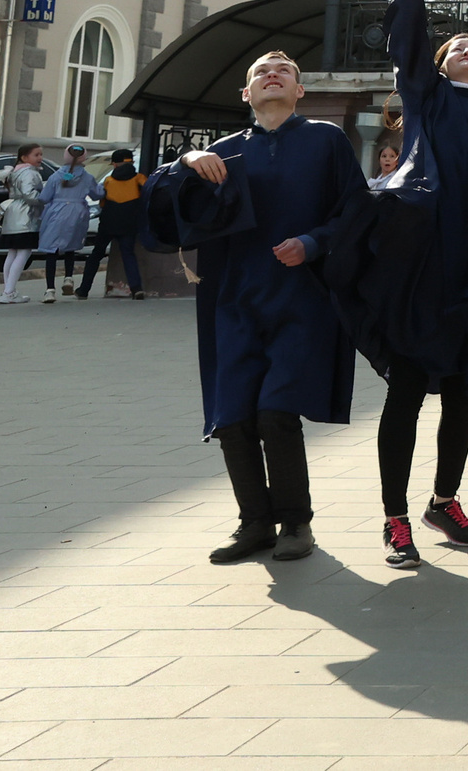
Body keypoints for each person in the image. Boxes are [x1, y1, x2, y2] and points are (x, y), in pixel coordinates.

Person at [143, 52, 364, 564]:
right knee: (233, 415)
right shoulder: (220, 152)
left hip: (299, 298)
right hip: (231, 299)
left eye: (284, 72)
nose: (272, 75)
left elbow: (356, 208)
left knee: (276, 411)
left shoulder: (325, 141)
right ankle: (255, 524)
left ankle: (296, 524)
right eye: (261, 73)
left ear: (299, 91)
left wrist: (313, 241)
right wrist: (185, 162)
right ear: (246, 94)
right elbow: (157, 205)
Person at [352, 0, 468, 570]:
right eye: (458, 47)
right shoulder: (432, 98)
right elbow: (409, 36)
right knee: (409, 388)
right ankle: (394, 517)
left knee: (464, 390)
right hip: (424, 260)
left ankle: (444, 499)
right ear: (442, 65)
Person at [35, 145, 102, 304]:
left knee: (52, 249)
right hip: (78, 212)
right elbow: (97, 193)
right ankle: (68, 278)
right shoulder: (87, 177)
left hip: (56, 211)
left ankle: (50, 290)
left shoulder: (55, 177)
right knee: (70, 246)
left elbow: (44, 197)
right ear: (84, 158)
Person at [78, 149, 146, 299]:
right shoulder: (139, 179)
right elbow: (147, 196)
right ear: (132, 162)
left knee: (96, 254)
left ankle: (83, 290)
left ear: (114, 165)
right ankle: (136, 288)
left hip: (108, 223)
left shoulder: (109, 181)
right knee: (128, 255)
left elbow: (102, 202)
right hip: (129, 223)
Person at [0, 144, 47, 304]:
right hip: (26, 215)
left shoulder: (14, 172)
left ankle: (8, 290)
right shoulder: (29, 172)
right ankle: (9, 292)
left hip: (13, 213)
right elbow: (30, 195)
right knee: (24, 252)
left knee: (13, 252)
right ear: (24, 157)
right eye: (36, 155)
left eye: (41, 154)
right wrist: (45, 197)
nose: (40, 158)